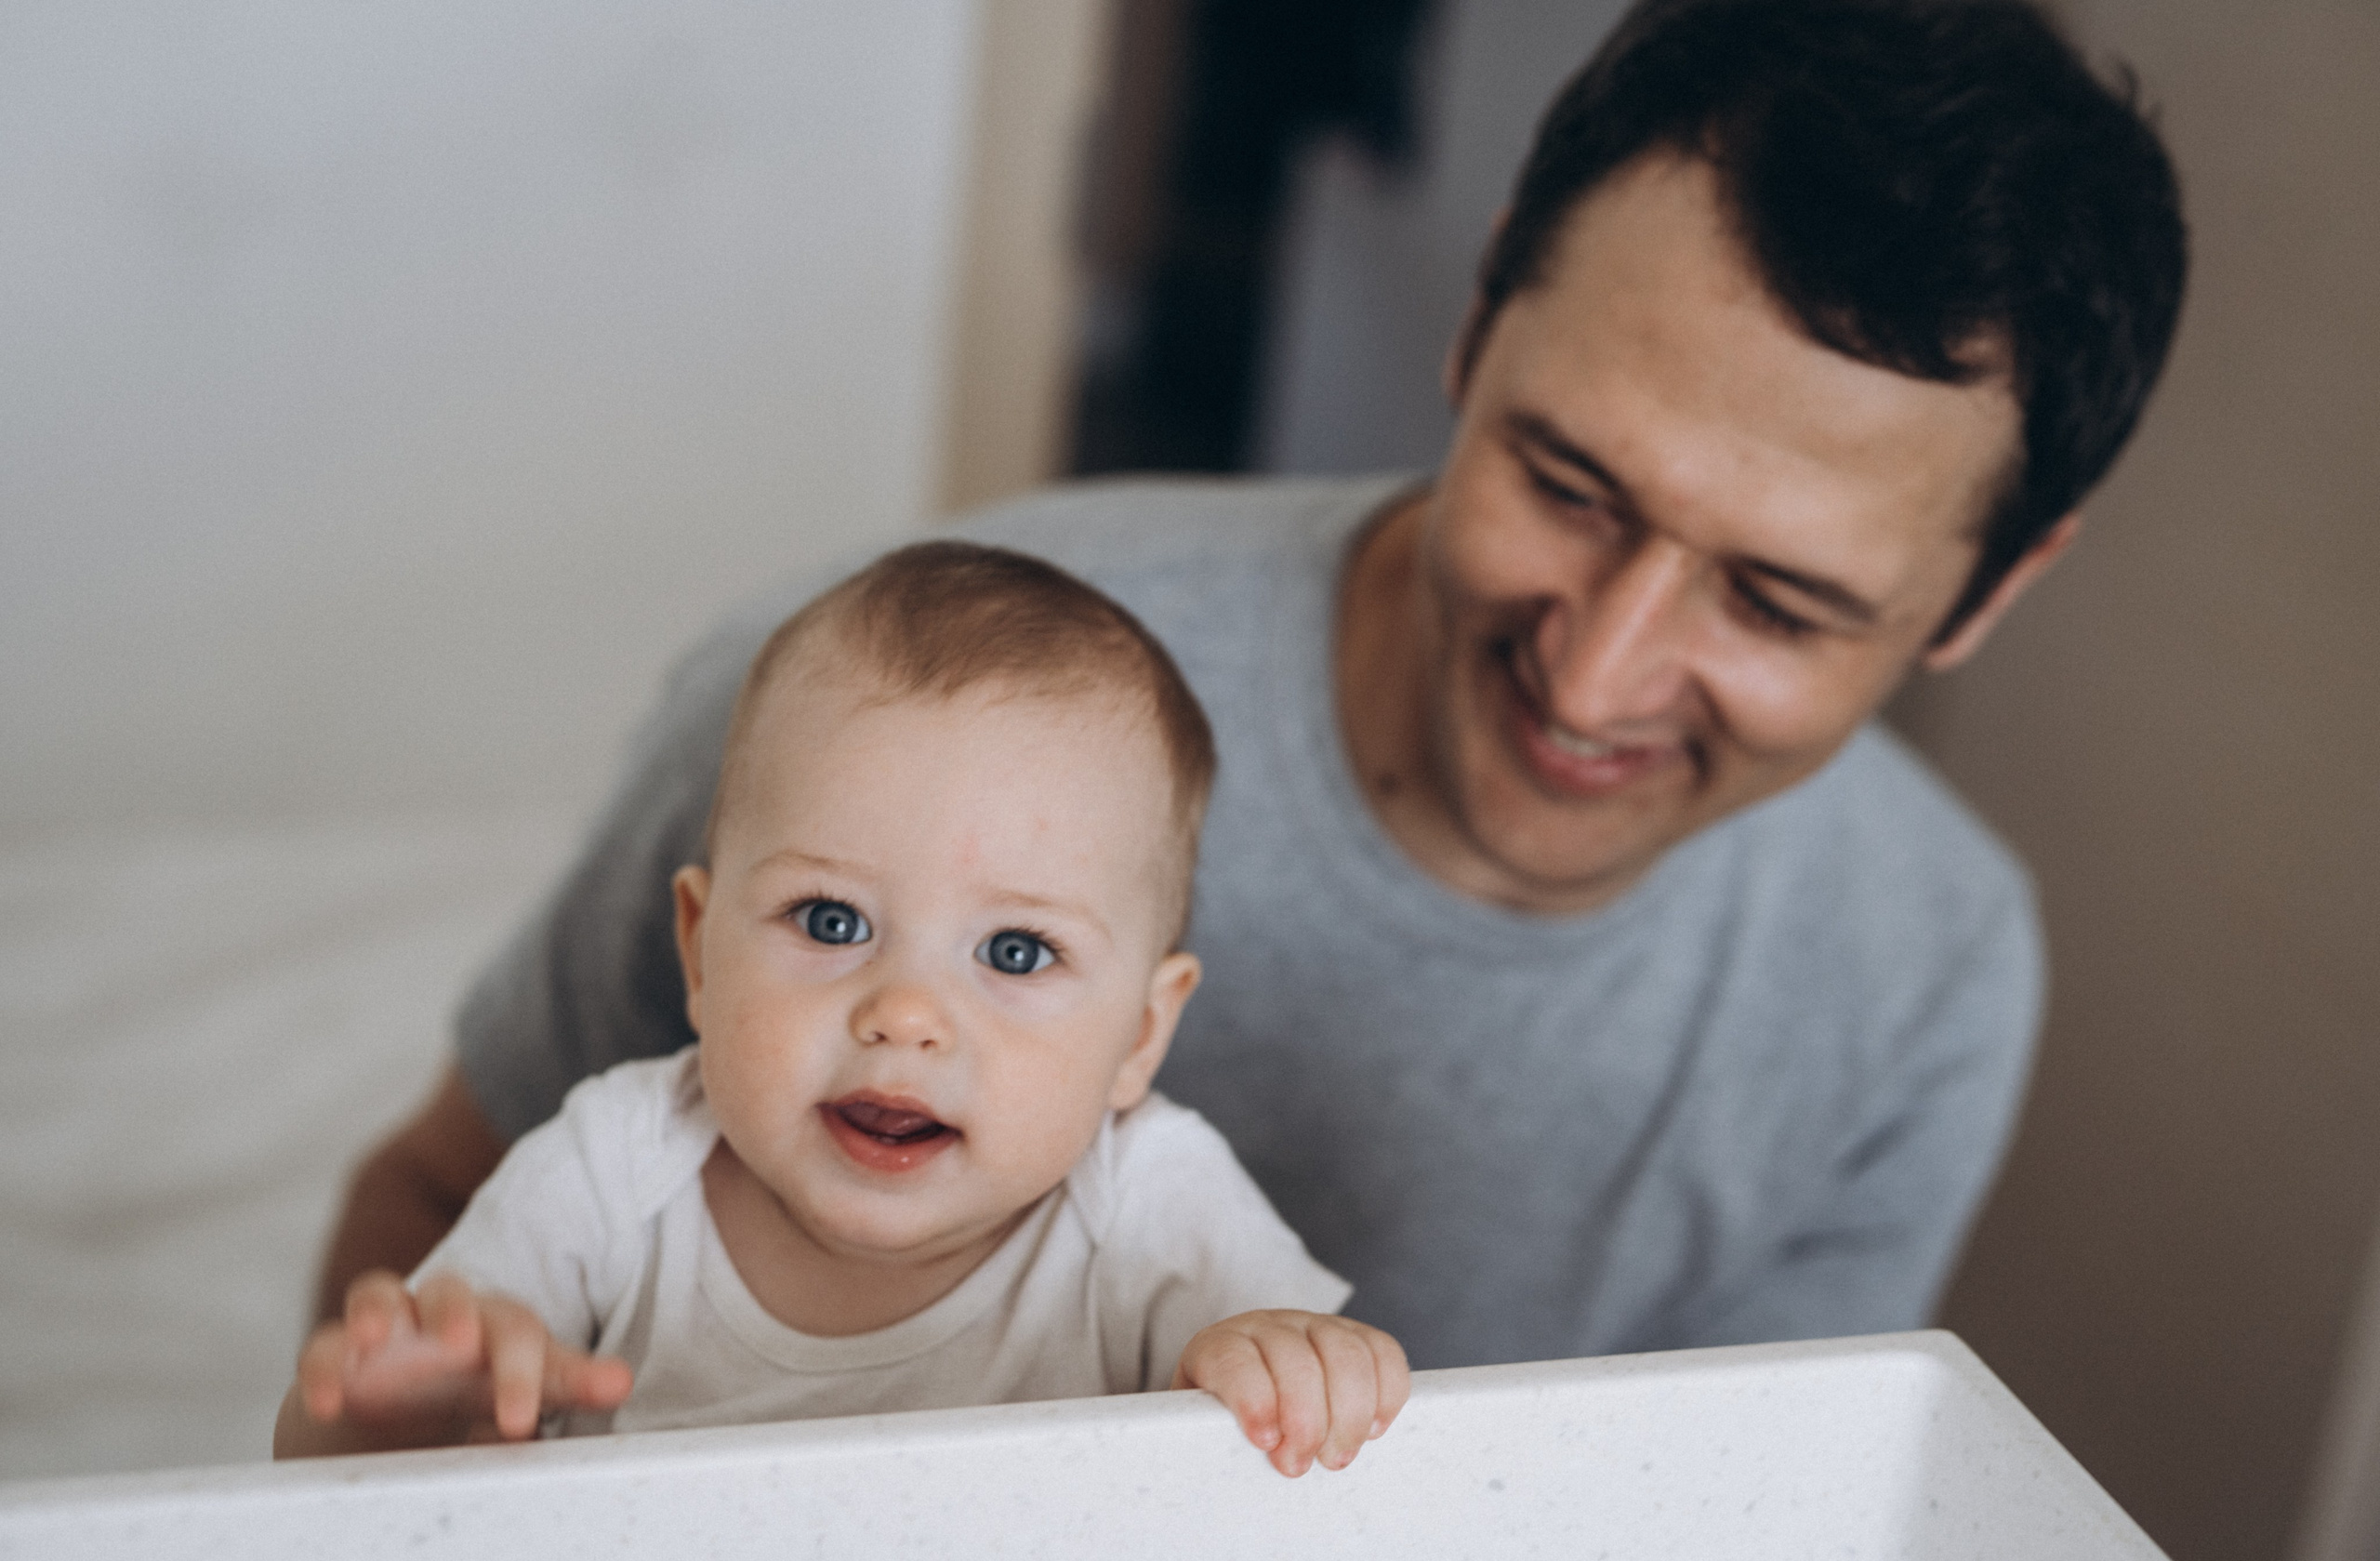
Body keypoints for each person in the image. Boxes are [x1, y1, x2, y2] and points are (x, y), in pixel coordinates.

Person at [314, 0, 2188, 1369]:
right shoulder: (857, 716)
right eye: (1563, 483)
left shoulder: (1923, 970)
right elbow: (424, 1222)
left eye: (1775, 601)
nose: (1597, 668)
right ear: (1470, 327)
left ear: (1983, 591)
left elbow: (1726, 1523)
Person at [277, 544, 1408, 1474]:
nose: (905, 1014)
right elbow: (327, 1483)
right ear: (700, 952)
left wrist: (1291, 1370)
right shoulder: (611, 1175)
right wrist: (393, 1412)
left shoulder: (1152, 1207)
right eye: (830, 922)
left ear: (1141, 1035)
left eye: (1016, 949)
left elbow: (1324, 1447)